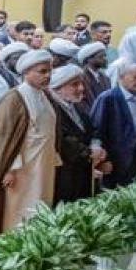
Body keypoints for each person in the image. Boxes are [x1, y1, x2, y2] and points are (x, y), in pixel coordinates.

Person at [0, 51, 58, 248]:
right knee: (17, 213)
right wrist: (9, 168)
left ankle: (35, 250)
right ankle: (13, 250)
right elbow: (3, 140)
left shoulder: (44, 96)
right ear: (26, 72)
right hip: (21, 172)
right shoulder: (14, 99)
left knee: (39, 209)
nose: (47, 76)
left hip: (42, 167)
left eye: (49, 71)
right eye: (42, 71)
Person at [91, 62, 136, 190]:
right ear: (121, 77)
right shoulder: (108, 98)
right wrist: (103, 160)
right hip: (118, 159)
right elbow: (97, 131)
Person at [49, 65, 105, 204]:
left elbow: (92, 130)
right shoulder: (51, 109)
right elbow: (64, 139)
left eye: (81, 84)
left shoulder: (77, 105)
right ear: (58, 88)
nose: (81, 88)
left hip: (83, 169)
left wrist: (96, 146)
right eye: (74, 85)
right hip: (65, 173)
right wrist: (89, 153)